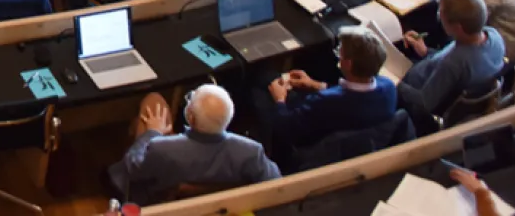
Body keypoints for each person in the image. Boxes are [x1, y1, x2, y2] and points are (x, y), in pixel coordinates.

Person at [108, 84, 280, 204]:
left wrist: (152, 133)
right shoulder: (251, 151)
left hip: (161, 204)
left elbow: (133, 165)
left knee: (153, 101)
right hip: (221, 208)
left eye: (190, 99)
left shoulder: (161, 148)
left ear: (190, 117)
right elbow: (275, 184)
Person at [261, 26, 397, 160]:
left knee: (263, 81)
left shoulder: (322, 102)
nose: (338, 56)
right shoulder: (389, 87)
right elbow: (353, 94)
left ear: (348, 64)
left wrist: (279, 99)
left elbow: (286, 129)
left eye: (340, 52)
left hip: (311, 151)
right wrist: (316, 85)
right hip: (360, 144)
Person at [399, 0, 506, 121]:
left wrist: (396, 84)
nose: (439, 18)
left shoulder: (454, 63)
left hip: (414, 91)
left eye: (441, 15)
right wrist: (426, 51)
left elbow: (424, 102)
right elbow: (448, 57)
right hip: (430, 71)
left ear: (457, 28)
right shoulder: (494, 35)